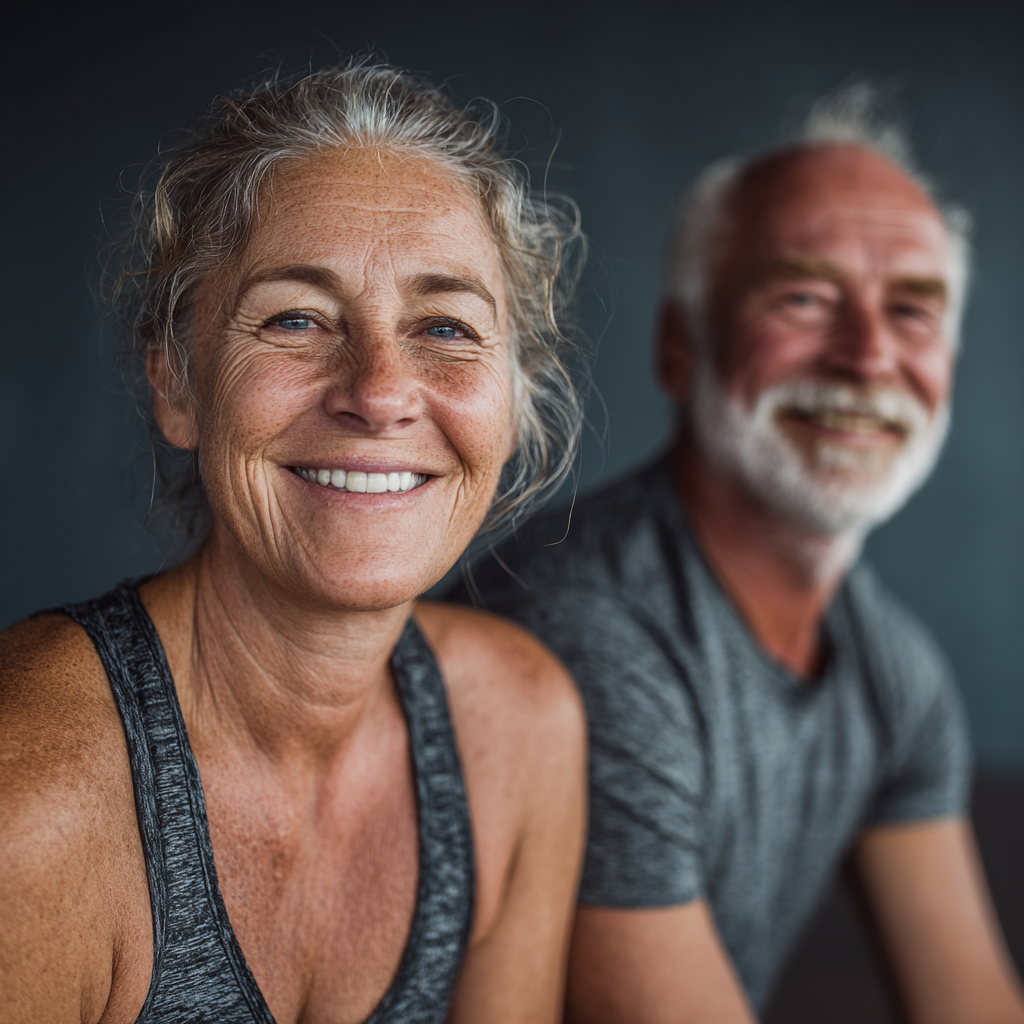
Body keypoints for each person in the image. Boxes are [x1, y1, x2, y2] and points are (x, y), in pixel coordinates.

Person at [0, 62, 588, 1024]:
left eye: (446, 326)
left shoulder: (519, 729)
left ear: (516, 406)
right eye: (297, 319)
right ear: (178, 385)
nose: (381, 391)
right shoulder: (30, 795)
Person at [453, 87, 1024, 1023]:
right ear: (683, 348)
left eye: (914, 312)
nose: (871, 356)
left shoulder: (891, 672)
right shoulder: (582, 637)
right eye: (804, 297)